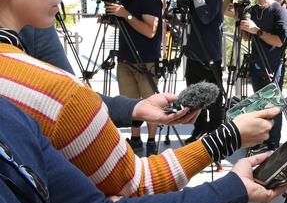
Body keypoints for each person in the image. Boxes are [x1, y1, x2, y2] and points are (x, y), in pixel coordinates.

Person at [0, 0, 278, 197]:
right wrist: (229, 141)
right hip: (146, 59)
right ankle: (143, 137)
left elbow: (198, 19)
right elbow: (137, 182)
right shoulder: (47, 89)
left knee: (206, 103)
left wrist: (133, 107)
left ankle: (156, 139)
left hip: (176, 58)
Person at [0, 95, 287, 203]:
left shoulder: (11, 117)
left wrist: (233, 188)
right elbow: (139, 182)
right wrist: (225, 139)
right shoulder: (52, 99)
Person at [19, 24, 199, 129]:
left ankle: (149, 142)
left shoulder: (37, 27)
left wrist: (137, 108)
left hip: (145, 63)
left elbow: (71, 97)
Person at [105, 0, 163, 156]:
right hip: (125, 59)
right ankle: (135, 138)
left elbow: (150, 31)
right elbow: (125, 24)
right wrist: (112, 18)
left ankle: (152, 142)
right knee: (131, 104)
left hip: (146, 61)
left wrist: (126, 14)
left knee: (151, 103)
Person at [238, 0, 287, 150]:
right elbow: (246, 38)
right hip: (256, 63)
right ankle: (260, 139)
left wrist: (257, 30)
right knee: (259, 104)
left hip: (273, 65)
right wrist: (243, 25)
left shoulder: (279, 10)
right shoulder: (252, 10)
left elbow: (279, 41)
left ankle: (273, 143)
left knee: (274, 105)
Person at [183, 0, 225, 144]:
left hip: (210, 55)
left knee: (214, 97)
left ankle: (215, 132)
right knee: (194, 96)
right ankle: (199, 128)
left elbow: (205, 17)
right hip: (193, 54)